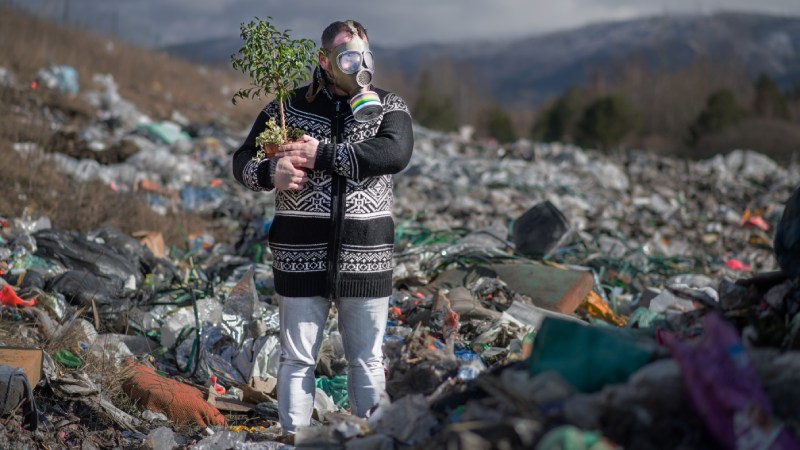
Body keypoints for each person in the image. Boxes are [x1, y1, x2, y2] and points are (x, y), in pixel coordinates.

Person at [231, 19, 414, 432]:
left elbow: (395, 153)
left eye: (365, 55)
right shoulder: (287, 108)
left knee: (366, 359)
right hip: (299, 253)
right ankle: (295, 438)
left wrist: (324, 155)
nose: (359, 63)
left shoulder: (389, 106)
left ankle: (370, 438)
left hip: (366, 256)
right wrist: (270, 173)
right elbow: (242, 159)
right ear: (325, 60)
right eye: (348, 55)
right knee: (297, 359)